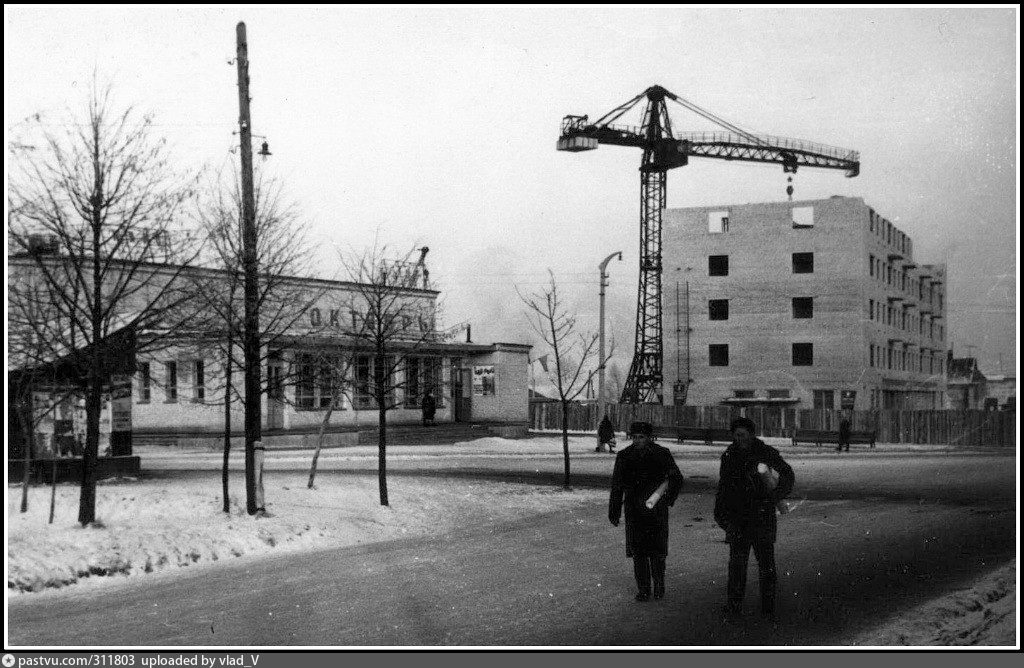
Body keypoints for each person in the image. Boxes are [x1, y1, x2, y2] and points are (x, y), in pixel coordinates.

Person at [714, 416, 794, 618]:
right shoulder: (730, 455)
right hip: (738, 518)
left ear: (751, 434)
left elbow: (787, 473)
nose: (738, 438)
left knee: (766, 564)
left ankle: (768, 607)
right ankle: (734, 605)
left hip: (761, 515)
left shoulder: (764, 452)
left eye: (742, 434)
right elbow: (723, 486)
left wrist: (776, 495)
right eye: (736, 434)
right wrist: (720, 513)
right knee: (737, 565)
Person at [608, 421, 684, 602]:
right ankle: (643, 589)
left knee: (657, 551)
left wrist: (667, 499)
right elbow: (617, 485)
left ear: (649, 438)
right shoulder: (624, 456)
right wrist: (614, 511)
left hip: (656, 509)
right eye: (634, 437)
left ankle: (659, 585)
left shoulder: (661, 454)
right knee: (638, 552)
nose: (637, 441)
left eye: (641, 437)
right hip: (634, 510)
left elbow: (676, 479)